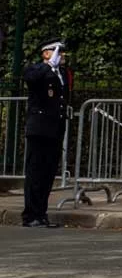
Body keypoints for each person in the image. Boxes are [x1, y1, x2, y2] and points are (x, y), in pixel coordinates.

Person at [22, 39, 70, 228]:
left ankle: (41, 213)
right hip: (39, 128)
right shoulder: (37, 69)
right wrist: (48, 65)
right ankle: (30, 214)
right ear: (46, 53)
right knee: (35, 172)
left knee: (48, 173)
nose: (62, 55)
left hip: (55, 128)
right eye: (58, 51)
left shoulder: (62, 74)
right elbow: (30, 79)